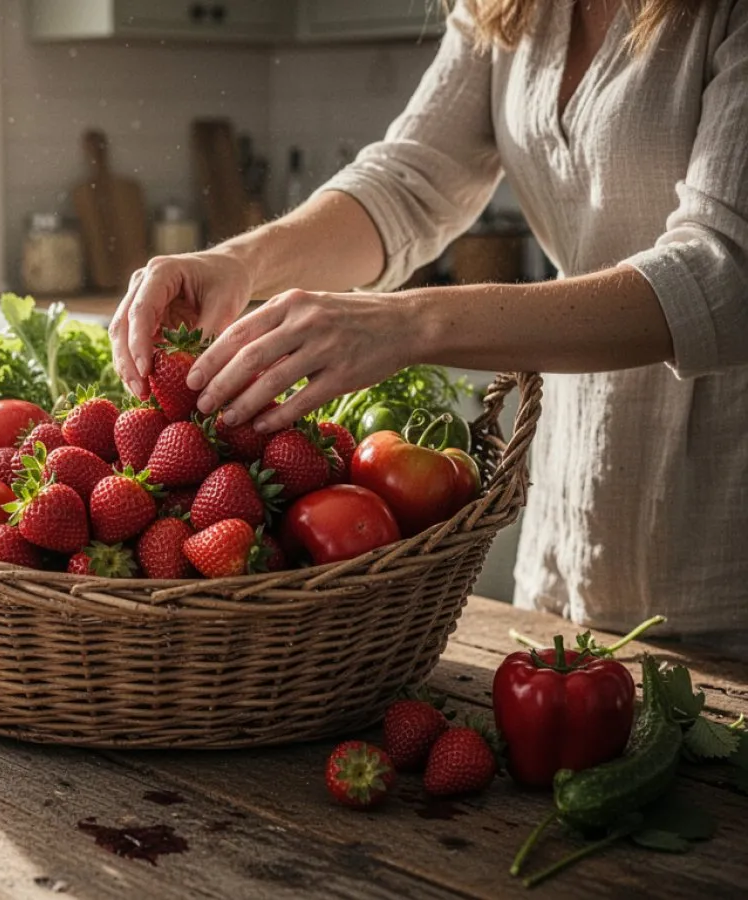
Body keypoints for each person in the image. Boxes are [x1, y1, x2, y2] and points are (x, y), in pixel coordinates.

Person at [108, 0, 748, 650]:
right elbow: (408, 184)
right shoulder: (509, 8)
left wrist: (411, 323)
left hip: (724, 535)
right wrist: (237, 263)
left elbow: (725, 273)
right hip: (571, 515)